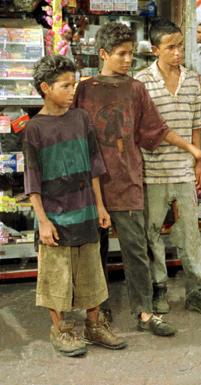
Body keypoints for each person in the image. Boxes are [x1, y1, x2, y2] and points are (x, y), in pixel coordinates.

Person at [73, 22, 201, 336]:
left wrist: (192, 148)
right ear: (103, 54)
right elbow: (76, 135)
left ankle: (145, 312)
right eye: (121, 54)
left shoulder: (136, 89)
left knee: (135, 250)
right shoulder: (86, 89)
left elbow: (157, 130)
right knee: (94, 251)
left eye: (131, 54)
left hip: (128, 181)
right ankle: (98, 313)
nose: (127, 60)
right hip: (93, 184)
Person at [24, 55, 127, 357]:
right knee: (57, 276)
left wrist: (101, 207)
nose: (72, 91)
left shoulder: (82, 119)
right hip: (55, 218)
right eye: (65, 85)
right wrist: (43, 221)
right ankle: (61, 329)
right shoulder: (35, 129)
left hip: (85, 211)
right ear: (45, 87)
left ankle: (94, 326)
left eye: (74, 84)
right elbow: (32, 180)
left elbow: (95, 166)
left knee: (91, 272)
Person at [135, 20, 201, 314]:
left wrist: (198, 162)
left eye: (180, 45)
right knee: (153, 233)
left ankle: (196, 289)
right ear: (155, 49)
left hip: (184, 171)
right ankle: (159, 288)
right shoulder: (142, 82)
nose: (177, 52)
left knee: (189, 234)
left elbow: (196, 124)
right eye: (170, 47)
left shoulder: (192, 80)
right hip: (153, 172)